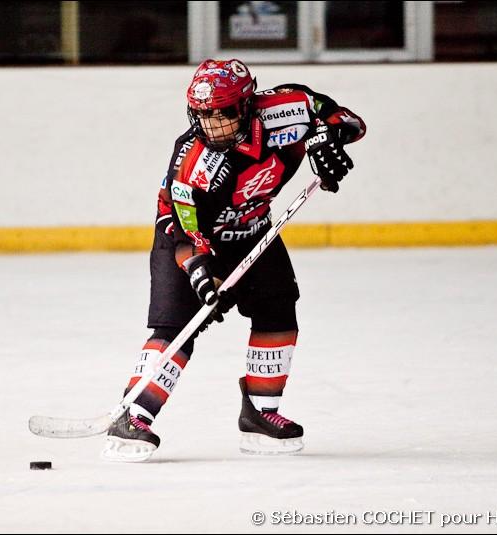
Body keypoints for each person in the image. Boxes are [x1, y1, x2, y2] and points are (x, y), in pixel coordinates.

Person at [103, 59, 366, 462]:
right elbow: (185, 228)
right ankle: (133, 415)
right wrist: (201, 274)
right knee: (179, 326)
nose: (212, 124)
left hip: (253, 228)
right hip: (186, 237)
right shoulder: (194, 161)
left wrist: (328, 139)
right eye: (203, 114)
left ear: (246, 105)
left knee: (278, 309)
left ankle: (260, 414)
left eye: (223, 112)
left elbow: (349, 122)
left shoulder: (290, 107)